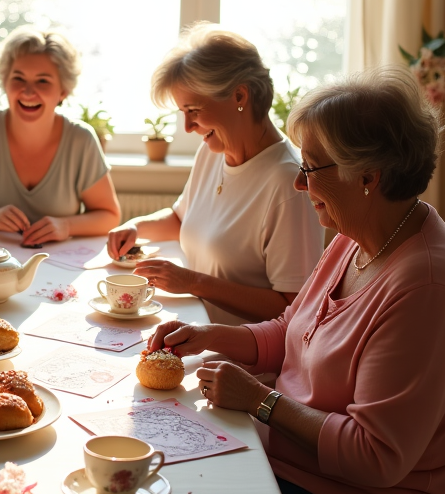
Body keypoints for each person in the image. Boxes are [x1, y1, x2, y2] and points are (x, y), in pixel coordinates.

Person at [147, 67, 445, 494]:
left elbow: (376, 457)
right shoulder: (357, 236)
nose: (298, 183)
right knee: (165, 483)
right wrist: (209, 336)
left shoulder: (426, 285)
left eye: (311, 169)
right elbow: (293, 331)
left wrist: (260, 401)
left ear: (368, 174)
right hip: (311, 478)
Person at [108, 24, 323, 322]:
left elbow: (293, 308)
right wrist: (136, 227)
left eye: (193, 110)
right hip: (192, 332)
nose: (187, 127)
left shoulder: (289, 183)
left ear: (238, 96)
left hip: (239, 359)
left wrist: (192, 283)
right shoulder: (212, 152)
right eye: (183, 113)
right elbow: (183, 218)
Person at [0, 27, 121, 247]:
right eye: (18, 78)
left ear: (63, 91)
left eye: (43, 81)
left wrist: (66, 226)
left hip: (57, 271)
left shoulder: (82, 140)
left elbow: (109, 216)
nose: (28, 92)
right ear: (5, 82)